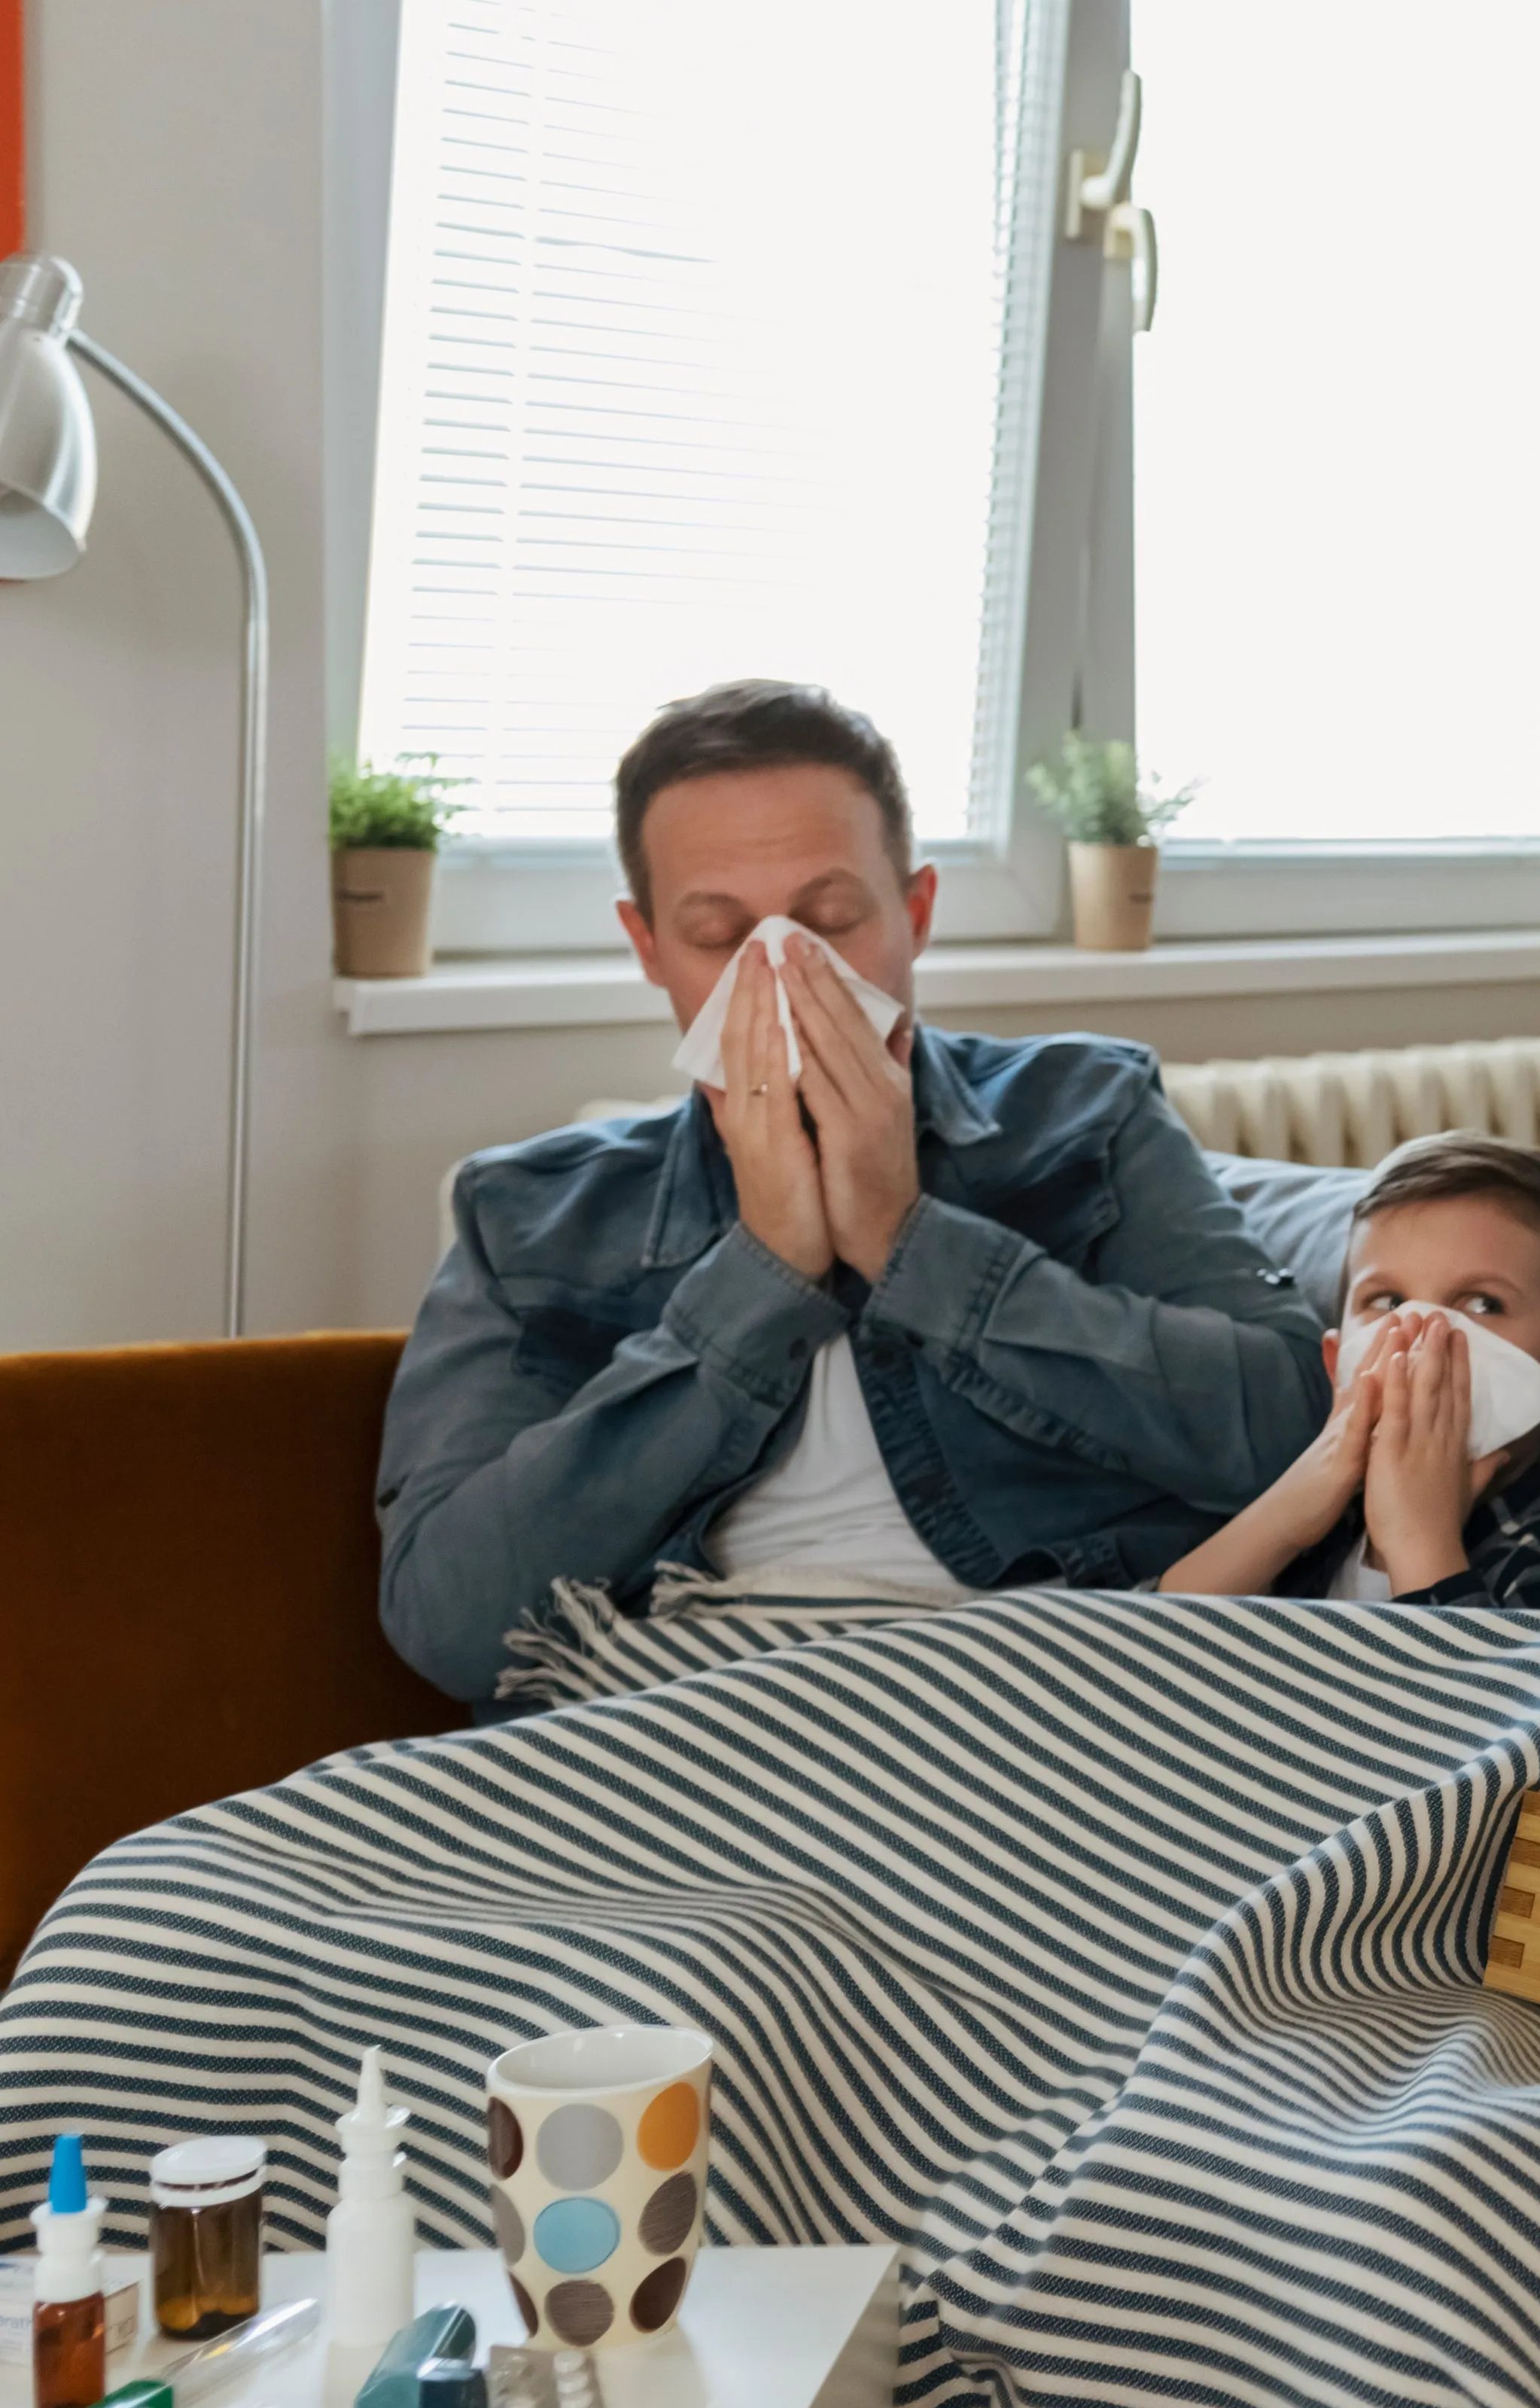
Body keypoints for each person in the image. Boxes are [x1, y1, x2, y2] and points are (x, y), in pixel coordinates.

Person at [378, 680, 1329, 1704]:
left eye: (830, 918)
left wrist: (909, 1240)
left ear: (913, 913)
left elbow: (1289, 1427)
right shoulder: (525, 1215)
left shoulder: (1085, 1110)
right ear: (648, 946)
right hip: (689, 1723)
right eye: (716, 936)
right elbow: (452, 1618)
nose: (786, 972)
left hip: (1052, 1690)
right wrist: (764, 1273)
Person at [1161, 1133, 1540, 1613]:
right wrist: (1282, 1517)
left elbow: (1510, 1703)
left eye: (1481, 1303)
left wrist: (1419, 1543)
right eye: (1386, 1301)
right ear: (1338, 1364)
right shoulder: (1310, 1526)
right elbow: (1138, 1648)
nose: (1420, 1331)